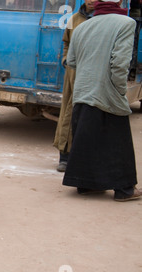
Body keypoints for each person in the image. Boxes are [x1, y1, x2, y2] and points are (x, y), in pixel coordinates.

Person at [63, 0, 141, 201]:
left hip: (82, 92)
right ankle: (125, 190)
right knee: (117, 143)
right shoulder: (126, 23)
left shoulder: (82, 26)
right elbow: (120, 64)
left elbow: (71, 61)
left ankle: (86, 185)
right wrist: (120, 91)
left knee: (87, 139)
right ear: (120, 2)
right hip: (107, 92)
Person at [53, 0, 96, 172]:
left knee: (89, 113)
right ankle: (64, 156)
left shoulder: (103, 19)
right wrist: (65, 60)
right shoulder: (74, 19)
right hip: (73, 73)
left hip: (94, 74)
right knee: (68, 112)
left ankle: (85, 158)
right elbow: (66, 44)